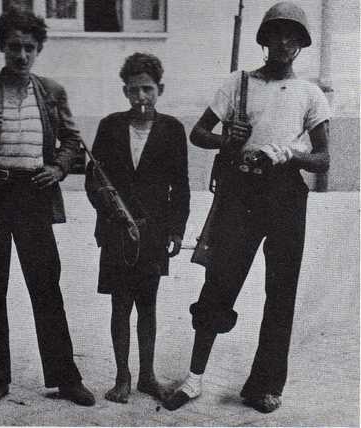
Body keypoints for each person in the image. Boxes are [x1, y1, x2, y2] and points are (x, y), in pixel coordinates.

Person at [164, 2, 331, 414]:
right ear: (264, 39)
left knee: (281, 290)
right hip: (240, 192)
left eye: (293, 35)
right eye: (276, 33)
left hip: (286, 195)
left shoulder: (310, 93)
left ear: (301, 44)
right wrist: (227, 139)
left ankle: (265, 385)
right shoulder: (238, 84)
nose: (284, 42)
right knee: (219, 282)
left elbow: (324, 159)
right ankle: (195, 378)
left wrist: (290, 155)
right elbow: (198, 133)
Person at [0, 6, 95, 407]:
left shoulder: (51, 91)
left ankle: (65, 378)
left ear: (39, 49)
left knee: (45, 287)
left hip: (33, 197)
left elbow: (72, 142)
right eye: (14, 47)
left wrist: (59, 168)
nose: (22, 56)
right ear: (1, 47)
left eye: (29, 48)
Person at [85, 52, 190, 403]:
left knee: (148, 305)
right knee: (119, 305)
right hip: (116, 233)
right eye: (133, 90)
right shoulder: (110, 126)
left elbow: (182, 186)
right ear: (124, 91)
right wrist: (113, 214)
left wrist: (176, 230)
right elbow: (93, 180)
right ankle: (122, 378)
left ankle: (147, 376)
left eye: (147, 89)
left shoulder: (173, 129)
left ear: (159, 89)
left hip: (154, 234)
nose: (140, 97)